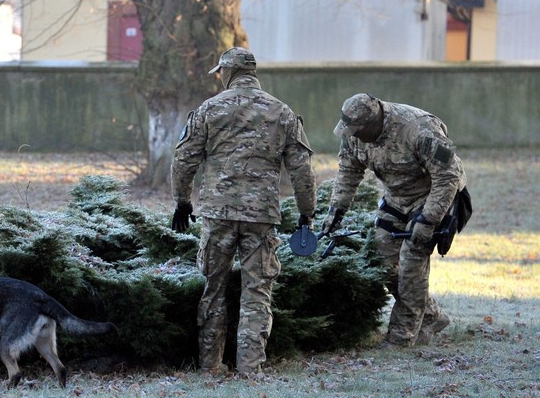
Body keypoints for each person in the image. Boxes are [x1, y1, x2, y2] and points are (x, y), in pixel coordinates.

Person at [171, 47, 317, 375]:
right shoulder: (282, 113)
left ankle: (211, 364)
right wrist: (307, 212)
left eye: (220, 72)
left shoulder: (208, 110)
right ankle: (251, 367)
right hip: (261, 216)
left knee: (213, 287)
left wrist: (182, 201)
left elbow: (183, 160)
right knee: (257, 290)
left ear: (227, 72)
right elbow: (302, 169)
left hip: (218, 213)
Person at [322, 93, 467, 347]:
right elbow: (349, 170)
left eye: (357, 131)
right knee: (381, 260)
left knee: (411, 265)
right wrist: (336, 211)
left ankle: (401, 338)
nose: (353, 136)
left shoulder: (420, 128)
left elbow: (448, 176)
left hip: (433, 196)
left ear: (372, 123)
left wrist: (428, 220)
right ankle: (431, 316)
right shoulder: (354, 136)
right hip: (396, 198)